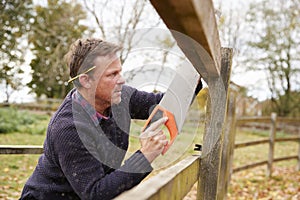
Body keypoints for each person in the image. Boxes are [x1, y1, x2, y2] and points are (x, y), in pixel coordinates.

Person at [20, 38, 202, 199]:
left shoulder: (121, 97)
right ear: (85, 80)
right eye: (112, 74)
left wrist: (193, 73)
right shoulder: (69, 127)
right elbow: (96, 194)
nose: (121, 80)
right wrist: (145, 156)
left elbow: (163, 103)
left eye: (119, 72)